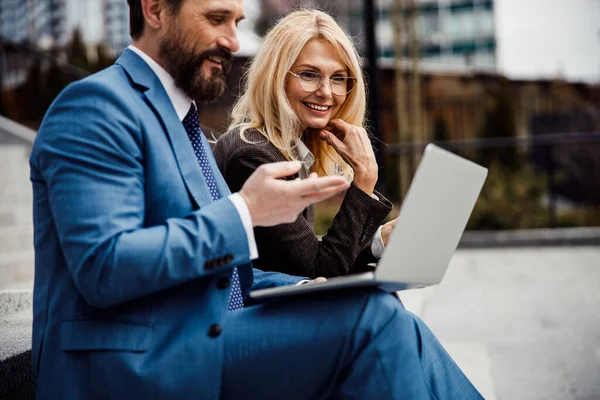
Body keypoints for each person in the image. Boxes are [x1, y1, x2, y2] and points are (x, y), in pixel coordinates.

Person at [29, 0, 482, 398]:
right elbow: (103, 267)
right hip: (130, 360)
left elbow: (225, 277)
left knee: (378, 308)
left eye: (237, 21)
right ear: (154, 10)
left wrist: (302, 289)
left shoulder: (180, 122)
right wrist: (244, 212)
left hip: (196, 333)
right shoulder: (95, 106)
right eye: (215, 19)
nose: (231, 40)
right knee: (371, 319)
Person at [214, 9, 397, 279]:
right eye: (310, 74)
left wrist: (380, 239)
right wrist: (365, 178)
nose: (326, 92)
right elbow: (319, 271)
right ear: (277, 76)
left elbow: (309, 258)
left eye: (337, 78)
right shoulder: (252, 153)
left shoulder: (287, 148)